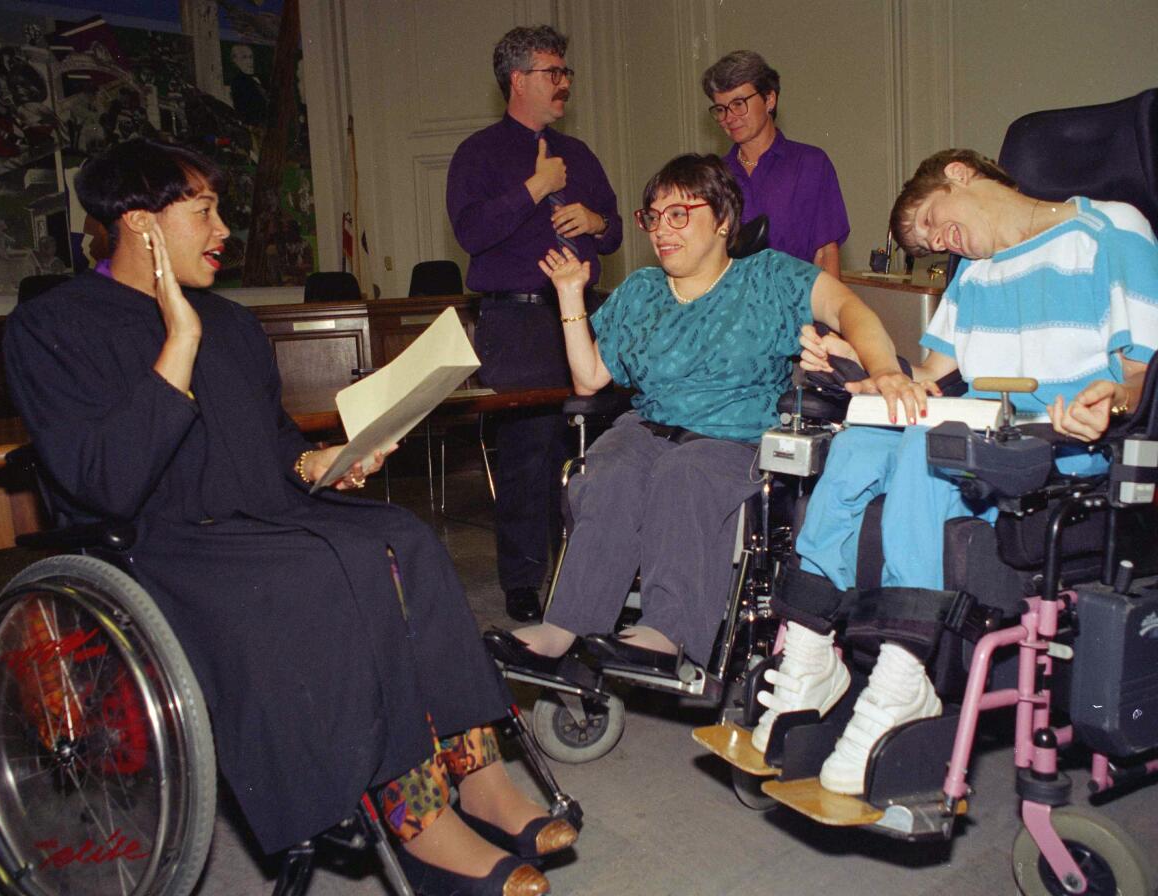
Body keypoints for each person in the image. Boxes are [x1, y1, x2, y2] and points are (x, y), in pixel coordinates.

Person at [3, 139, 576, 896]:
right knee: (322, 573)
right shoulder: (52, 327)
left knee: (402, 536)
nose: (222, 231)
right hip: (161, 545)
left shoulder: (233, 325)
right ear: (139, 225)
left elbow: (275, 447)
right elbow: (104, 482)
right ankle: (418, 820)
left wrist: (327, 462)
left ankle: (478, 774)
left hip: (264, 517)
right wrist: (177, 341)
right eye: (203, 211)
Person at [758, 148, 1158, 795]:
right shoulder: (973, 278)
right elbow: (924, 383)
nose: (935, 242)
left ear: (960, 174)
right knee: (859, 443)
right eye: (924, 243)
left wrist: (1108, 403)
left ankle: (905, 670)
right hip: (983, 446)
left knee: (927, 443)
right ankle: (807, 656)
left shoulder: (1111, 231)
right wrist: (852, 363)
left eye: (931, 221)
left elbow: (1140, 380)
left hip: (1067, 454)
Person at [484, 153, 919, 675]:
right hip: (648, 429)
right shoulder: (642, 290)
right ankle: (565, 624)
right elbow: (591, 379)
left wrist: (885, 369)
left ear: (723, 221)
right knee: (609, 471)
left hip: (733, 439)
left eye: (679, 214)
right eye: (653, 216)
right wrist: (569, 295)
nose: (662, 230)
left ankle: (669, 631)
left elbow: (852, 310)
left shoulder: (770, 279)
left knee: (683, 473)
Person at [447, 24, 623, 623]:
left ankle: (590, 574)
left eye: (566, 72)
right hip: (516, 322)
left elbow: (618, 228)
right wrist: (536, 188)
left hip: (581, 316)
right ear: (518, 80)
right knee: (527, 456)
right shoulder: (478, 153)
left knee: (590, 453)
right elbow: (471, 233)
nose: (565, 84)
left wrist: (594, 219)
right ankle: (523, 582)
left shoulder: (579, 153)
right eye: (554, 72)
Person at [701, 50, 849, 278]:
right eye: (721, 109)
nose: (729, 118)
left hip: (796, 309)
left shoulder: (810, 165)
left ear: (769, 99)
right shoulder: (713, 176)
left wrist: (833, 311)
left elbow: (826, 255)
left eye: (739, 104)